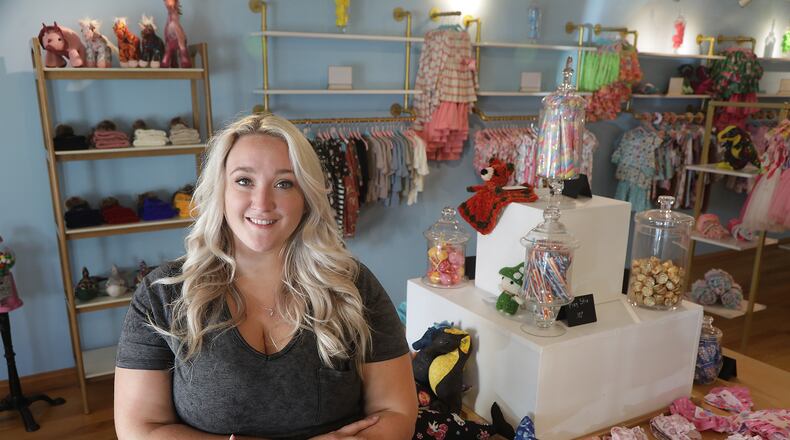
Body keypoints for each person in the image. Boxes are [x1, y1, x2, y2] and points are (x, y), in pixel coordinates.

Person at [114, 113, 417, 439]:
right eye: (244, 181)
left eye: (284, 183)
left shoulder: (352, 286)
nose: (263, 203)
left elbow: (397, 412)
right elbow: (139, 429)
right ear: (220, 190)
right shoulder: (162, 294)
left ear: (306, 197)